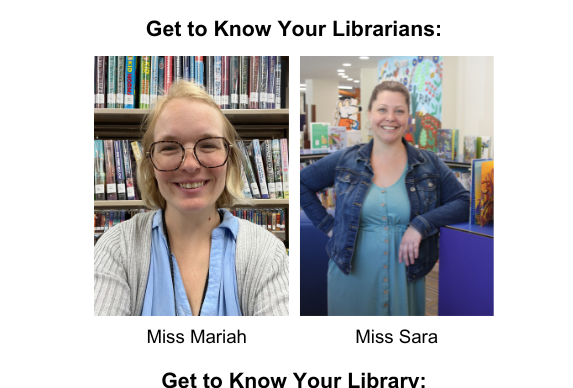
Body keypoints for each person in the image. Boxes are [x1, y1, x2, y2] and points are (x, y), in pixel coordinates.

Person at [95, 80, 289, 316]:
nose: (190, 164)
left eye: (208, 145)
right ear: (150, 164)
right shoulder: (116, 248)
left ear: (230, 159)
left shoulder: (266, 252)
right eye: (168, 148)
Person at [300, 80, 470, 316]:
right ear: (369, 114)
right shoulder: (345, 159)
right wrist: (328, 226)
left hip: (407, 274)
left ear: (408, 117)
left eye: (399, 111)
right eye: (382, 109)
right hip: (350, 273)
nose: (390, 117)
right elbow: (302, 183)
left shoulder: (429, 163)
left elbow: (464, 201)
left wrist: (422, 225)